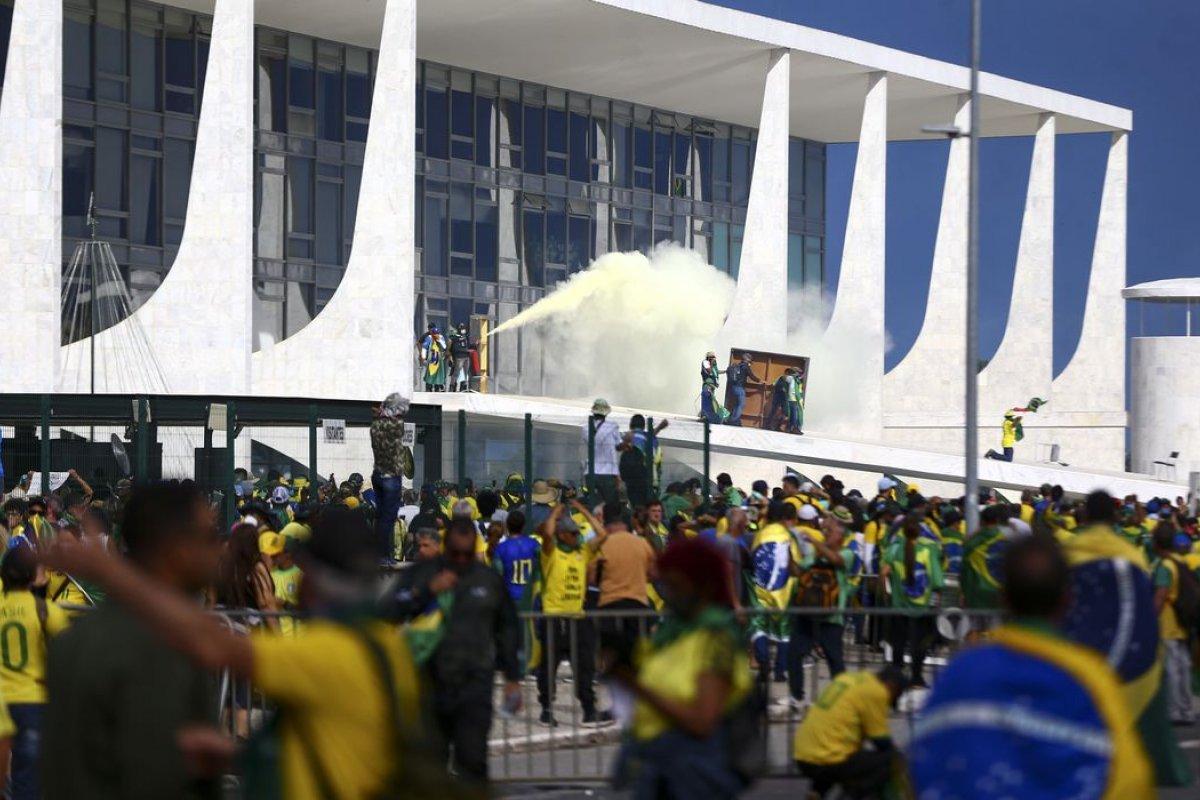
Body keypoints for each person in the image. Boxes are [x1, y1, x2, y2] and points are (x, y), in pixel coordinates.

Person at [47, 504, 433, 799]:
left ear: (313, 583)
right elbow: (340, 746)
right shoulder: (386, 645)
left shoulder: (329, 653)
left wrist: (113, 574)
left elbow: (210, 643)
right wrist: (234, 757)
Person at [910, 534, 1153, 799]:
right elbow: (1130, 782)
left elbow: (921, 764)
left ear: (1004, 597)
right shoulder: (1092, 677)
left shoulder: (962, 672)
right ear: (1067, 598)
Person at [42, 483, 222, 800]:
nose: (217, 549)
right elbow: (154, 776)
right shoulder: (162, 645)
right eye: (208, 537)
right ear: (177, 549)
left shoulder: (76, 640)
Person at [1061, 490, 1192, 786]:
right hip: (1123, 651)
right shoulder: (1129, 554)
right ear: (1113, 517)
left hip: (1077, 653)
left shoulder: (1068, 551)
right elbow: (1142, 605)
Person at [609, 538, 752, 800]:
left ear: (703, 585)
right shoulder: (672, 632)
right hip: (659, 768)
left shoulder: (716, 636)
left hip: (696, 771)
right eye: (667, 584)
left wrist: (635, 685)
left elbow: (701, 722)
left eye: (676, 585)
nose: (669, 593)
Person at [387, 518, 521, 783]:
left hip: (474, 684)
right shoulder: (424, 573)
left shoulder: (487, 579)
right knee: (430, 767)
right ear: (445, 547)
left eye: (466, 553)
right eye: (454, 553)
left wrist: (513, 678)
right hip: (429, 684)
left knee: (472, 762)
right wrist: (425, 592)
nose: (460, 559)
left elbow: (508, 628)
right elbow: (389, 610)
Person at [0, 546, 68, 800]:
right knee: (28, 782)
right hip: (33, 703)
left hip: (1, 701)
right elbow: (67, 654)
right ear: (31, 576)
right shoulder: (46, 610)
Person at [536, 502, 608, 726]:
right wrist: (556, 512)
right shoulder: (551, 552)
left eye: (578, 533)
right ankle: (546, 710)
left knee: (585, 665)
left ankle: (589, 709)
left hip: (577, 617)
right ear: (562, 535)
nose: (578, 536)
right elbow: (547, 533)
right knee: (549, 667)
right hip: (554, 618)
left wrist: (584, 510)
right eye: (573, 533)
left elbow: (602, 534)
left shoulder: (582, 552)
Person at [793, 666, 908, 798]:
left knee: (846, 754)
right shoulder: (877, 691)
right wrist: (900, 756)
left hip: (802, 754)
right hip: (827, 758)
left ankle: (816, 793)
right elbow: (881, 741)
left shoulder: (848, 679)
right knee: (889, 762)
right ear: (891, 686)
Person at [787, 506, 854, 709]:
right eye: (826, 533)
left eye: (830, 534)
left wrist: (815, 541)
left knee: (835, 660)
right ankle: (796, 697)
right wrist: (789, 557)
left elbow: (836, 560)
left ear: (841, 538)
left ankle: (841, 699)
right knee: (794, 654)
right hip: (807, 616)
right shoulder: (815, 556)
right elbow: (798, 573)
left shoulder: (847, 553)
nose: (826, 536)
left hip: (831, 618)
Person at [880, 515, 944, 687]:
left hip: (899, 605)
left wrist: (886, 594)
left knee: (898, 643)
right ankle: (916, 676)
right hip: (922, 606)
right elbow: (938, 581)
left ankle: (895, 677)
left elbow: (884, 572)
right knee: (920, 644)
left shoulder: (894, 549)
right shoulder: (928, 549)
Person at [747, 502, 799, 682]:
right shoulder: (789, 536)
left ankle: (763, 663)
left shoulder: (761, 534)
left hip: (760, 589)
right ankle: (779, 670)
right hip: (783, 591)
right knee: (783, 632)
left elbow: (753, 558)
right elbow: (796, 567)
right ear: (788, 519)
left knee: (758, 628)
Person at [1151, 521, 1196, 725]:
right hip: (1183, 622)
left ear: (1156, 543)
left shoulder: (1165, 566)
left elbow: (1160, 596)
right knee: (1183, 667)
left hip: (1167, 624)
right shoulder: (1181, 561)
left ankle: (1176, 711)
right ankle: (1187, 709)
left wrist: (1149, 621)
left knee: (1171, 669)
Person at [583, 398, 623, 506]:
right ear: (606, 413)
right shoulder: (612, 427)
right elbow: (618, 446)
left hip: (590, 472)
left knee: (594, 505)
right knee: (609, 506)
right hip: (608, 473)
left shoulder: (586, 428)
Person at [724, 353, 763, 427]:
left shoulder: (738, 365)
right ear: (747, 359)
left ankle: (732, 419)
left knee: (737, 404)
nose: (750, 361)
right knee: (741, 405)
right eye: (750, 359)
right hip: (739, 387)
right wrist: (760, 380)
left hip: (734, 387)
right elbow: (752, 376)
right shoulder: (745, 366)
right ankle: (734, 421)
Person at [419, 324, 449, 391]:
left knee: (438, 374)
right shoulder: (429, 338)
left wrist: (439, 341)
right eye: (434, 334)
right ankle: (428, 388)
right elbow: (424, 348)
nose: (436, 335)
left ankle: (437, 387)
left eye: (437, 334)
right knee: (430, 374)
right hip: (431, 359)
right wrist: (423, 358)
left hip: (439, 359)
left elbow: (444, 347)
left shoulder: (441, 337)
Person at [448, 322, 473, 392]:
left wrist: (474, 345)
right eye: (462, 328)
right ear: (458, 329)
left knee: (466, 373)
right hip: (459, 357)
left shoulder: (465, 337)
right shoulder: (455, 338)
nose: (463, 330)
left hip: (466, 357)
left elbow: (468, 346)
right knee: (456, 373)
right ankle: (452, 387)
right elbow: (456, 349)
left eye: (463, 328)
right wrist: (466, 350)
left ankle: (464, 386)